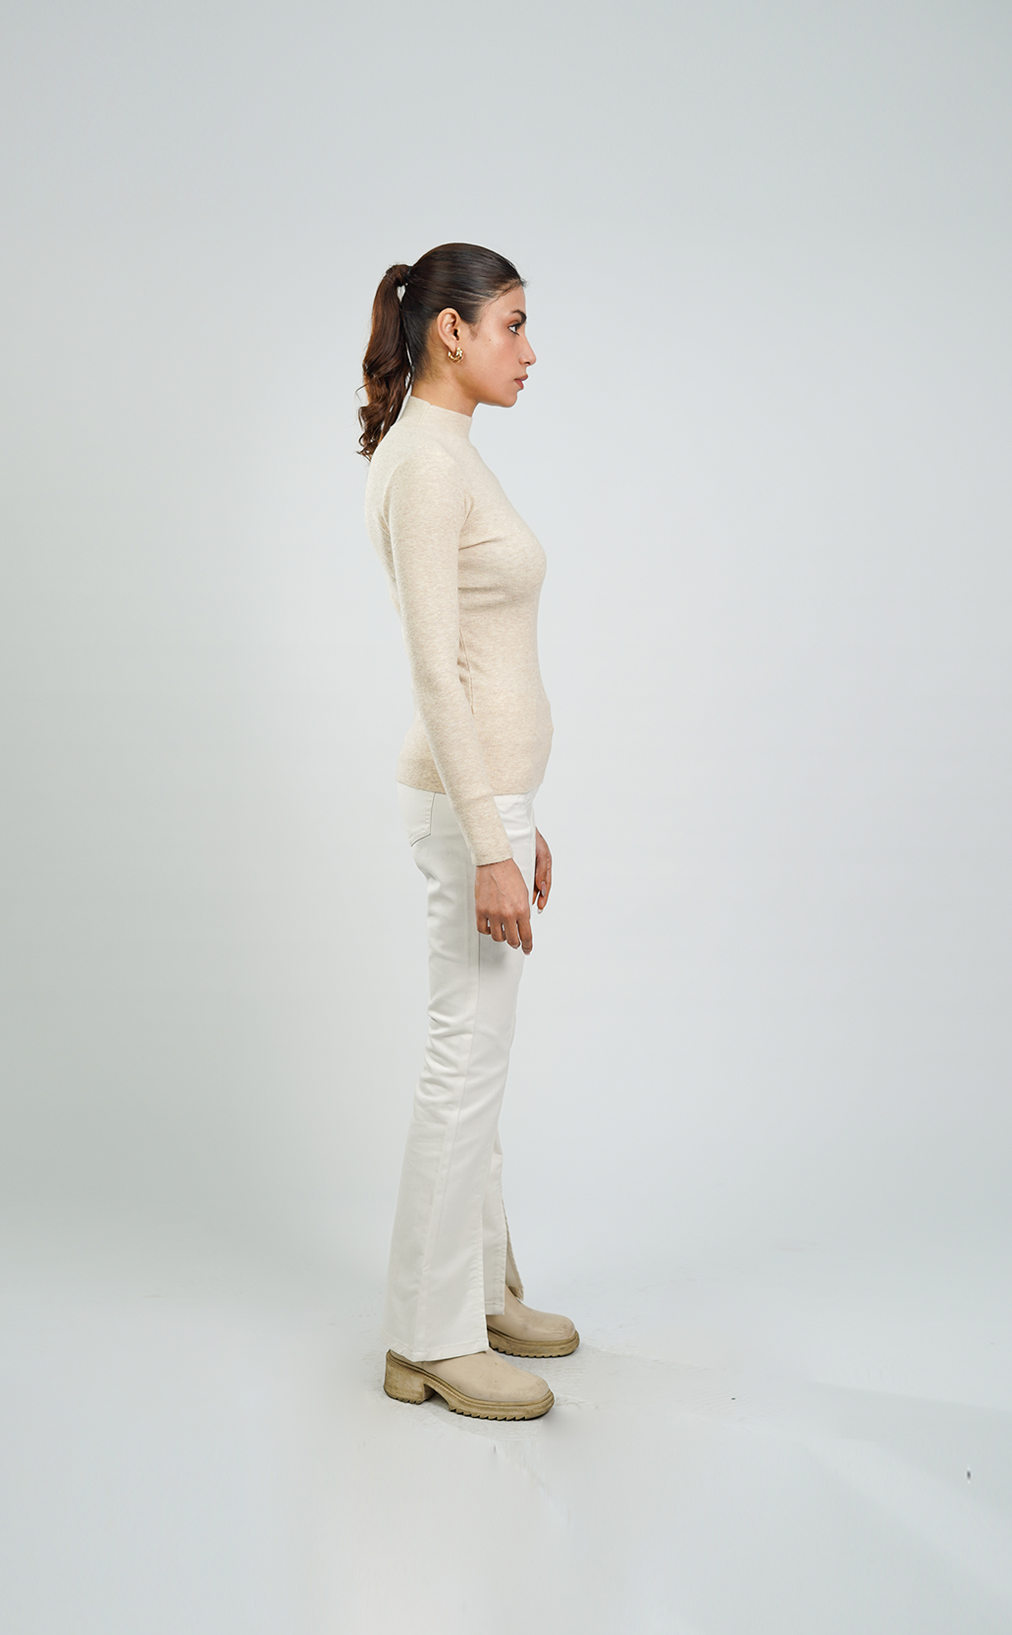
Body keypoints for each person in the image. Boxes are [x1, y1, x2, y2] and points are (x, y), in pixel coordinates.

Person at [360, 243, 577, 1422]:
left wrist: (516, 817)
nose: (529, 351)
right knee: (464, 1058)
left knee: (479, 1055)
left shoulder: (449, 451)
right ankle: (427, 1339)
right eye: (513, 324)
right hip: (462, 806)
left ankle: (480, 1294)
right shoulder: (425, 465)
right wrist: (490, 837)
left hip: (485, 801)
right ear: (451, 331)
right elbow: (436, 673)